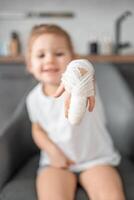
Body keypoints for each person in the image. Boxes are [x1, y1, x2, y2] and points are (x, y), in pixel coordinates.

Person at [26, 24, 126, 200]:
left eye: (59, 53)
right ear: (30, 65)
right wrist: (53, 152)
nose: (49, 60)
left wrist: (79, 72)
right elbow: (37, 129)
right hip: (57, 163)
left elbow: (83, 69)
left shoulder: (85, 84)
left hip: (95, 160)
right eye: (41, 55)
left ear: (72, 58)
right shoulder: (33, 99)